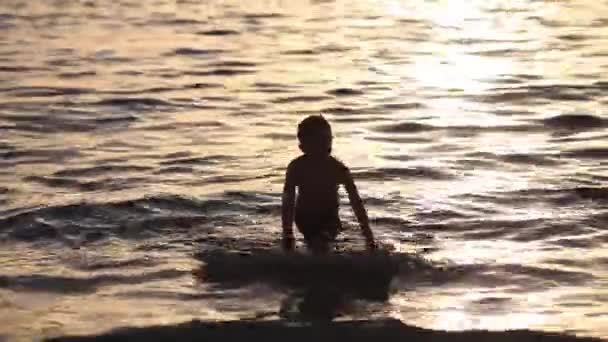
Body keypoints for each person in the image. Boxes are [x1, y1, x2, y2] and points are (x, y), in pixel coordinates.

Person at [281, 115, 376, 254]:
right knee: (314, 246)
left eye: (327, 140)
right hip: (304, 218)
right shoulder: (296, 168)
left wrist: (368, 235)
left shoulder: (338, 169)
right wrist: (287, 232)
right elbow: (288, 200)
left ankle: (323, 264)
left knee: (321, 244)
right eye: (317, 142)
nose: (324, 145)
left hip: (330, 219)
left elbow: (356, 202)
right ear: (302, 147)